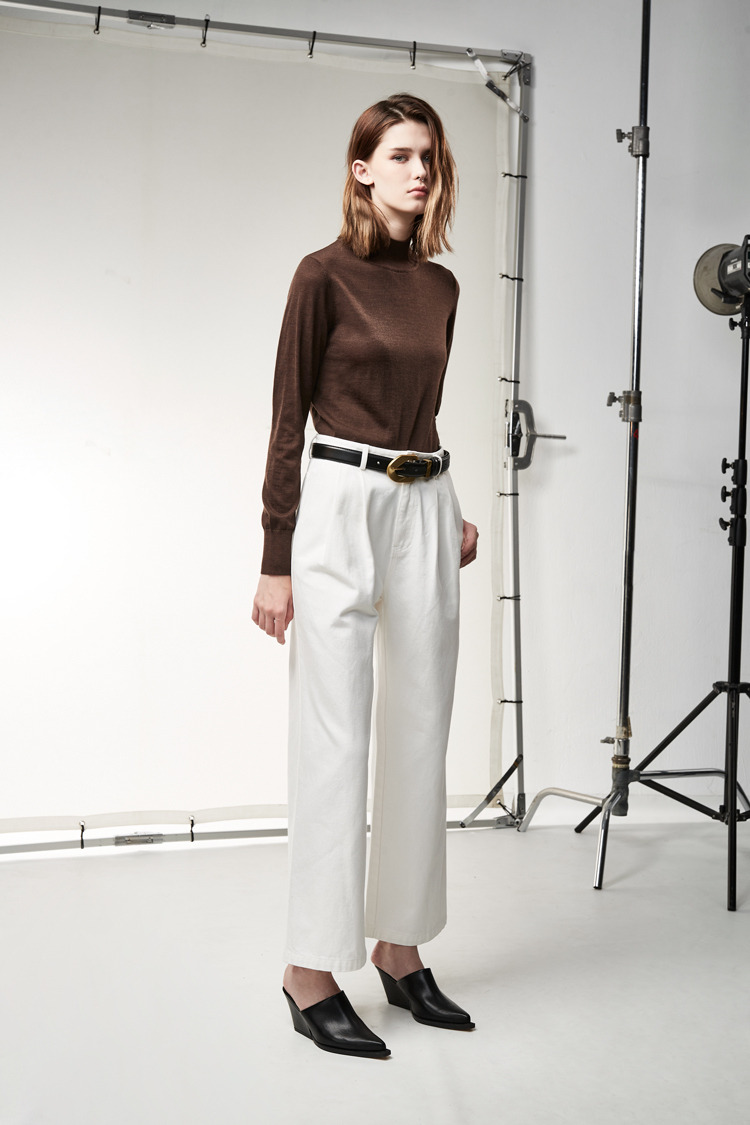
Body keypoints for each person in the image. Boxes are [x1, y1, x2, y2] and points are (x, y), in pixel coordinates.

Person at [252, 92, 478, 1059]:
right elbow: (286, 417)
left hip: (425, 499)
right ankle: (310, 970)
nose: (418, 171)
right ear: (361, 169)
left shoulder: (441, 288)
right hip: (338, 503)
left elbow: (421, 405)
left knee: (421, 727)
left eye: (429, 156)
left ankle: (400, 946)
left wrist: (446, 505)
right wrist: (274, 557)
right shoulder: (322, 275)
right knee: (335, 736)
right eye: (399, 155)